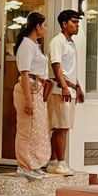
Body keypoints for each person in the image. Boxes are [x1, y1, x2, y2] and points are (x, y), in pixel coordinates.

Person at [13, 11, 51, 180]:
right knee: (26, 129)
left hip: (37, 88)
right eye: (44, 25)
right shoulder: (27, 45)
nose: (45, 28)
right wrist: (28, 100)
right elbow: (24, 73)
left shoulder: (34, 45)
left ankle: (33, 164)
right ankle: (23, 165)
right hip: (28, 88)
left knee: (37, 128)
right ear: (37, 26)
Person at [47, 10, 84, 175]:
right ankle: (60, 162)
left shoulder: (71, 43)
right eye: (74, 22)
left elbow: (71, 69)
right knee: (61, 127)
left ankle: (54, 161)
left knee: (63, 127)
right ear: (64, 24)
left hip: (70, 89)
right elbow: (56, 66)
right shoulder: (57, 41)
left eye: (77, 22)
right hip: (60, 90)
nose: (77, 25)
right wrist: (63, 87)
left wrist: (78, 87)